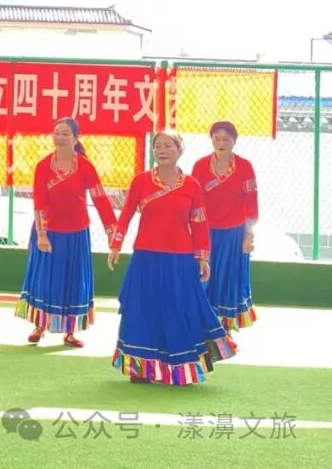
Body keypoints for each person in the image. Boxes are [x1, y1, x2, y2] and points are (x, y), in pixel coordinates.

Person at [108, 130, 235, 385]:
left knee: (177, 309)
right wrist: (116, 245)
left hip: (180, 259)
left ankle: (180, 369)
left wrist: (202, 257)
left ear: (179, 150)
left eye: (168, 146)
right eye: (158, 146)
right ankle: (140, 368)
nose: (162, 150)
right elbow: (127, 214)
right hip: (145, 257)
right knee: (142, 308)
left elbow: (199, 222)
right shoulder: (141, 181)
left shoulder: (191, 185)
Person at [17, 117, 117, 348]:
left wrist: (112, 231)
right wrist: (42, 234)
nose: (59, 137)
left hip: (76, 234)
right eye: (56, 133)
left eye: (64, 133)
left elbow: (100, 198)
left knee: (73, 280)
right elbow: (39, 202)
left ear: (75, 138)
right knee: (44, 280)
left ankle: (70, 331)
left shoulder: (85, 167)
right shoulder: (43, 166)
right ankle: (40, 325)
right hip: (48, 233)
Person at [191, 120, 259, 349]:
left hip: (234, 234)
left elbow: (251, 202)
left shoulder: (245, 167)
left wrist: (249, 234)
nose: (221, 143)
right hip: (207, 233)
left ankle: (225, 331)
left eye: (226, 139)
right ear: (211, 140)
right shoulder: (200, 166)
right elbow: (193, 202)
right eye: (217, 139)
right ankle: (203, 329)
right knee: (205, 278)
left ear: (234, 141)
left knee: (229, 280)